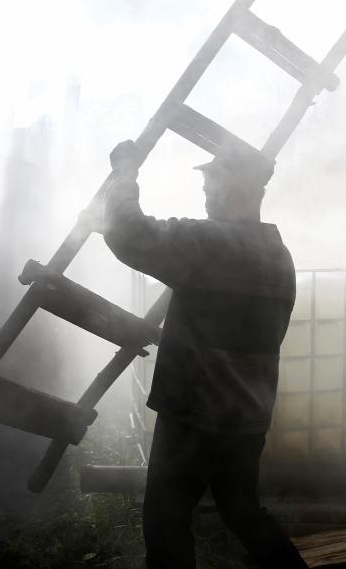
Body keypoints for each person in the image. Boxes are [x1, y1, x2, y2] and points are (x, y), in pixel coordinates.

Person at [101, 140, 308, 569]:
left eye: (210, 182)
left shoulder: (210, 244)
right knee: (242, 511)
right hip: (246, 419)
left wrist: (124, 172)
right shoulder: (279, 255)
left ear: (227, 187)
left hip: (195, 417)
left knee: (166, 519)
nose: (205, 192)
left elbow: (128, 234)